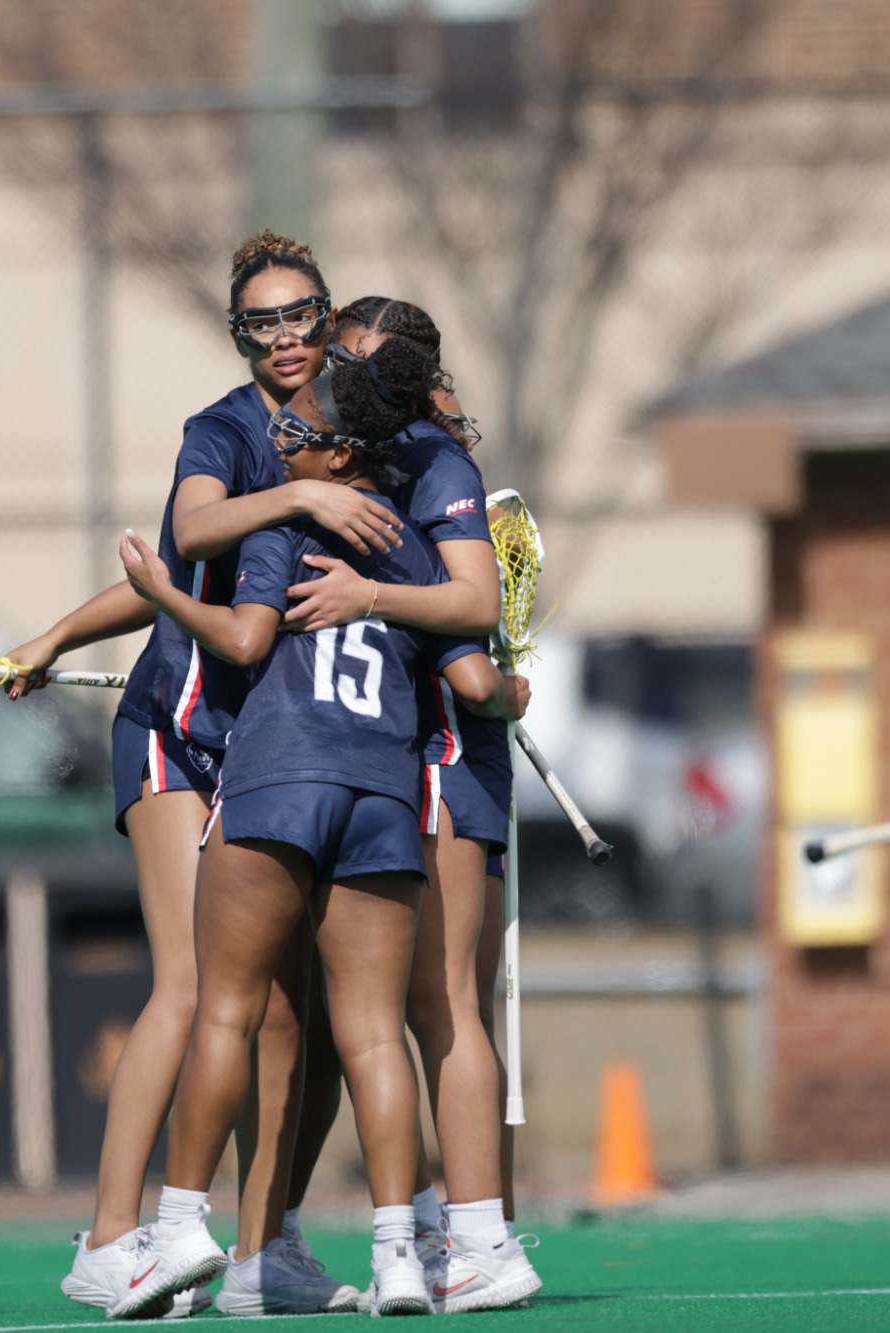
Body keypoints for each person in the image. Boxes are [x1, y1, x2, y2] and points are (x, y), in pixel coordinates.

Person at [106, 339, 529, 1320]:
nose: (278, 440)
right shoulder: (413, 546)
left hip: (277, 782)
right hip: (382, 797)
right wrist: (511, 687)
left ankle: (174, 1230)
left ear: (341, 455)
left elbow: (246, 638)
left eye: (296, 432)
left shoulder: (283, 527)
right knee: (376, 1032)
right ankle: (394, 1252)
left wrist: (162, 596)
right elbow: (472, 678)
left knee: (227, 1009)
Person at [21, 231, 394, 1318]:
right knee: (191, 987)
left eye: (300, 314)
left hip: (275, 751)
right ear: (239, 337)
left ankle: (261, 1247)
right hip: (175, 732)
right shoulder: (226, 430)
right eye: (261, 322)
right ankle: (106, 1238)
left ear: (329, 315)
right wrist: (48, 639)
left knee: (292, 1018)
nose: (284, 337)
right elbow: (184, 538)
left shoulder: (352, 430)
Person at [320, 297, 542, 1312]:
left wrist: (494, 684)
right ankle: (445, 1233)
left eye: (360, 362)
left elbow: (466, 626)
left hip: (447, 758)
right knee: (421, 1006)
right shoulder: (360, 459)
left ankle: (483, 1236)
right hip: (396, 757)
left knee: (447, 1001)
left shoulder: (436, 462)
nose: (340, 379)